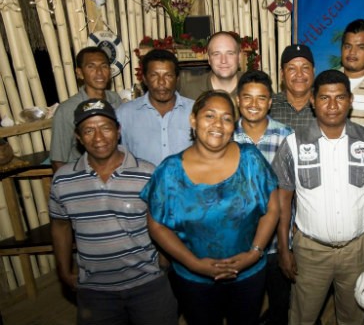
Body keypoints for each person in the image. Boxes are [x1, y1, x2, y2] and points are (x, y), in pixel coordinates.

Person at [141, 90, 280, 325]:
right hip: (194, 279)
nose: (218, 124)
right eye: (209, 116)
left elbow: (272, 208)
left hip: (249, 274)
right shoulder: (170, 171)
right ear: (193, 120)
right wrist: (194, 264)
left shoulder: (251, 159)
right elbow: (156, 225)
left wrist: (253, 253)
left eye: (226, 118)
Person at [272, 69, 364, 325]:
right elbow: (283, 200)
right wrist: (284, 247)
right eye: (325, 98)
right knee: (302, 317)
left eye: (340, 98)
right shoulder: (292, 145)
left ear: (350, 101)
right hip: (309, 251)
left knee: (353, 317)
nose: (332, 105)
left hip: (357, 251)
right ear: (312, 101)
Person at [49, 99, 177, 325]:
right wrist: (63, 270)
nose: (98, 138)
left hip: (147, 284)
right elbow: (60, 226)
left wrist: (164, 261)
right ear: (78, 137)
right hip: (94, 289)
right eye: (89, 130)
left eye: (106, 128)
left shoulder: (146, 173)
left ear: (118, 131)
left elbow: (163, 220)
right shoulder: (63, 180)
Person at [233, 70, 293, 325]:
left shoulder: (286, 137)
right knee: (242, 308)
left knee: (281, 306)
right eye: (247, 97)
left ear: (270, 102)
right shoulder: (226, 137)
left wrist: (285, 244)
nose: (254, 104)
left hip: (276, 242)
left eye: (261, 98)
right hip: (237, 242)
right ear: (238, 100)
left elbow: (290, 195)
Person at [117, 49, 194, 166]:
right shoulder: (125, 114)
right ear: (144, 79)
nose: (161, 82)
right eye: (154, 75)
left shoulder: (195, 111)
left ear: (177, 79)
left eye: (168, 75)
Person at [50, 47, 122, 172]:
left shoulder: (115, 100)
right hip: (83, 177)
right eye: (91, 67)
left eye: (104, 66)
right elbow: (58, 160)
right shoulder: (67, 110)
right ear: (79, 73)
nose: (99, 72)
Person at [179, 31, 242, 104]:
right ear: (209, 59)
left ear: (239, 57)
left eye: (230, 53)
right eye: (216, 54)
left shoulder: (253, 86)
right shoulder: (190, 91)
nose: (223, 60)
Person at [269, 44, 316, 131]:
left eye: (305, 68)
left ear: (313, 72)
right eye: (292, 69)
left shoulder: (325, 105)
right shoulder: (269, 106)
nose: (299, 74)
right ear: (282, 74)